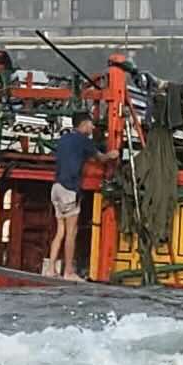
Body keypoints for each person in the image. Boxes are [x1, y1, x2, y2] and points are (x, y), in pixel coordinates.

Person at [46, 111, 118, 279]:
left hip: (56, 187)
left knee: (60, 231)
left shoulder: (63, 139)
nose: (92, 127)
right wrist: (112, 155)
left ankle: (50, 269)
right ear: (84, 124)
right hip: (69, 189)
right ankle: (69, 272)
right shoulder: (84, 141)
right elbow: (101, 158)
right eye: (91, 124)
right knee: (72, 232)